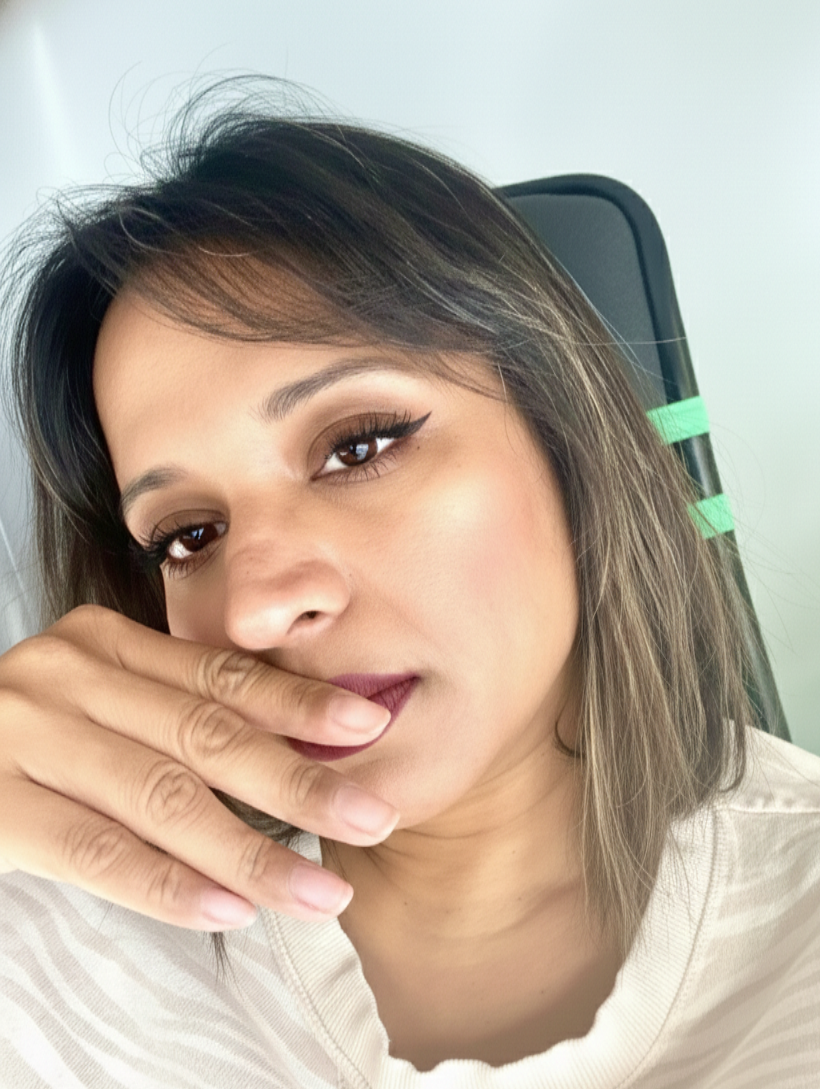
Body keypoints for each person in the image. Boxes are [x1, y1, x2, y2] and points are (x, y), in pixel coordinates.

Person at [0, 79, 819, 1088]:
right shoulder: (53, 939)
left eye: (359, 446)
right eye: (188, 535)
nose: (258, 608)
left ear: (568, 439)